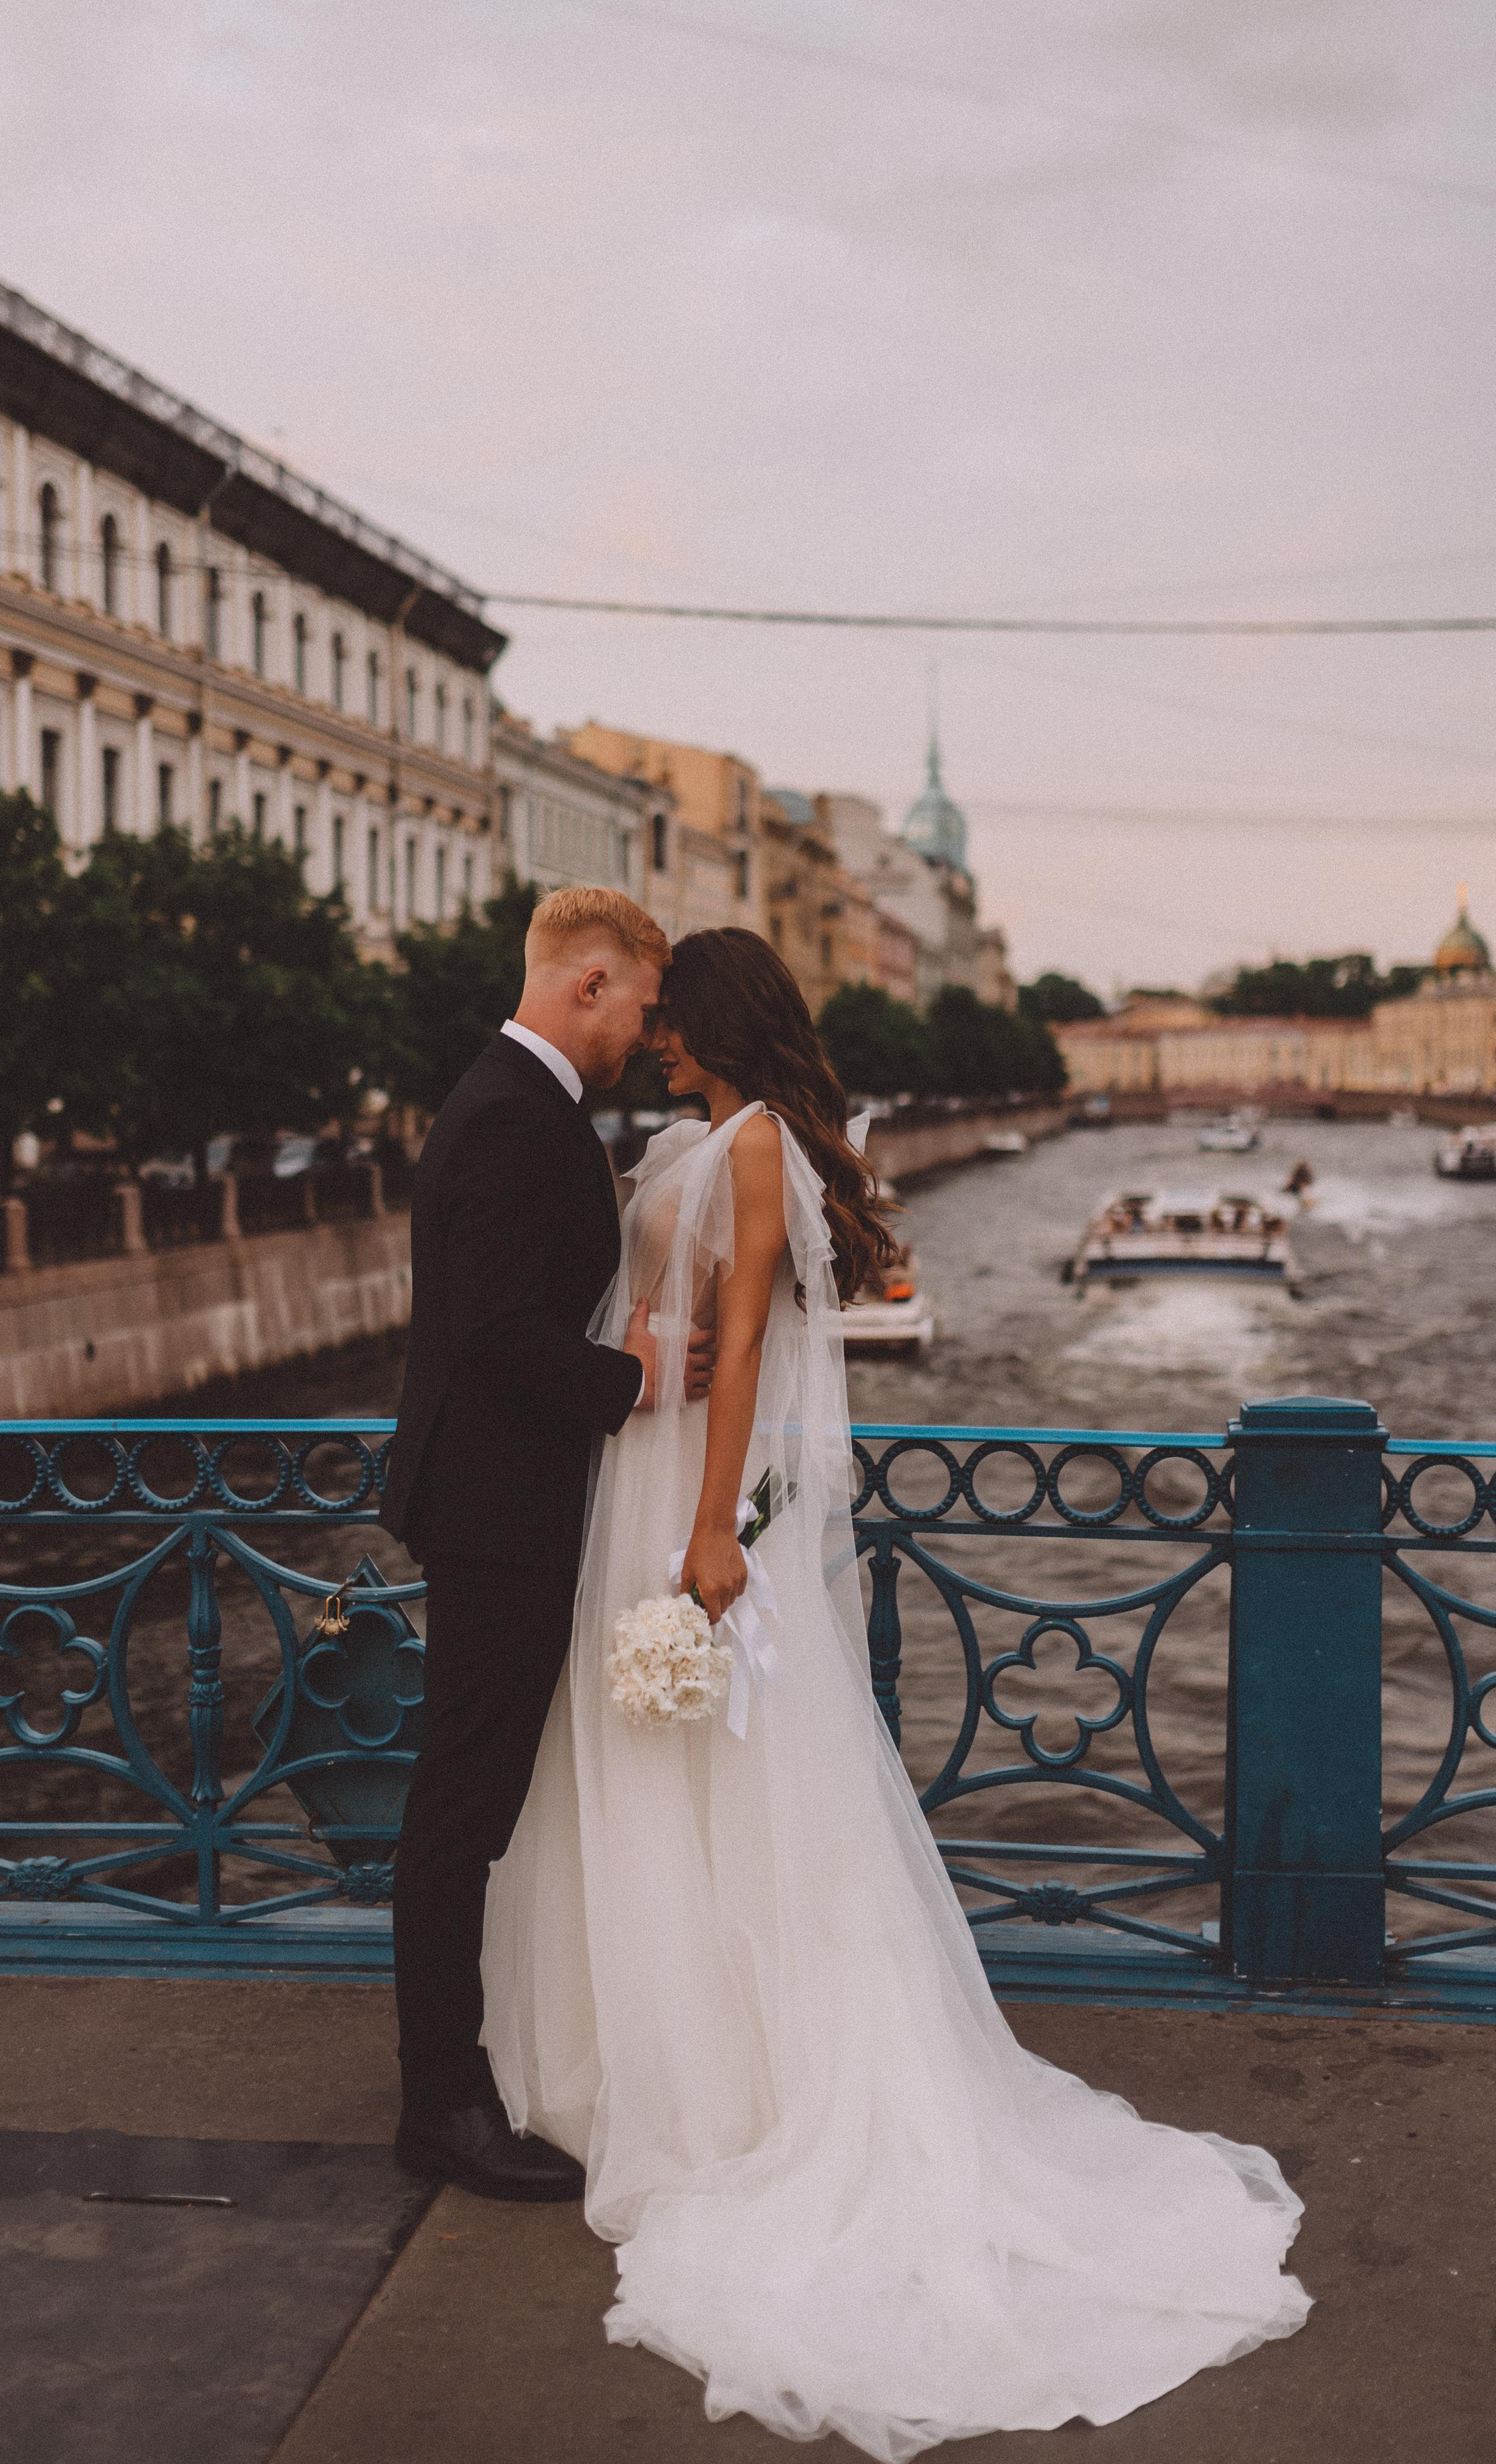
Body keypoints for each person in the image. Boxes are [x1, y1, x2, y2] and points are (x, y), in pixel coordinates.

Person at [481, 925, 1311, 2453]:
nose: (658, 1034)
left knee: (709, 1784)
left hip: (684, 1498)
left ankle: (725, 2089)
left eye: (676, 1018)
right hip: (643, 1479)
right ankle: (679, 2058)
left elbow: (738, 1356)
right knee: (666, 1778)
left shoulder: (738, 1147)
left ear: (722, 1020)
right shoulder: (706, 1138)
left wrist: (707, 1528)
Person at [381, 884, 713, 2201]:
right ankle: (441, 2103)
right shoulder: (517, 1121)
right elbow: (500, 1338)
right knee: (459, 1808)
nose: (641, 1032)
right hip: (497, 1512)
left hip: (490, 1501)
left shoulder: (505, 1104)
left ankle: (458, 2071)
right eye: (636, 1004)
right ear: (586, 985)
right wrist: (634, 1384)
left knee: (465, 1800)